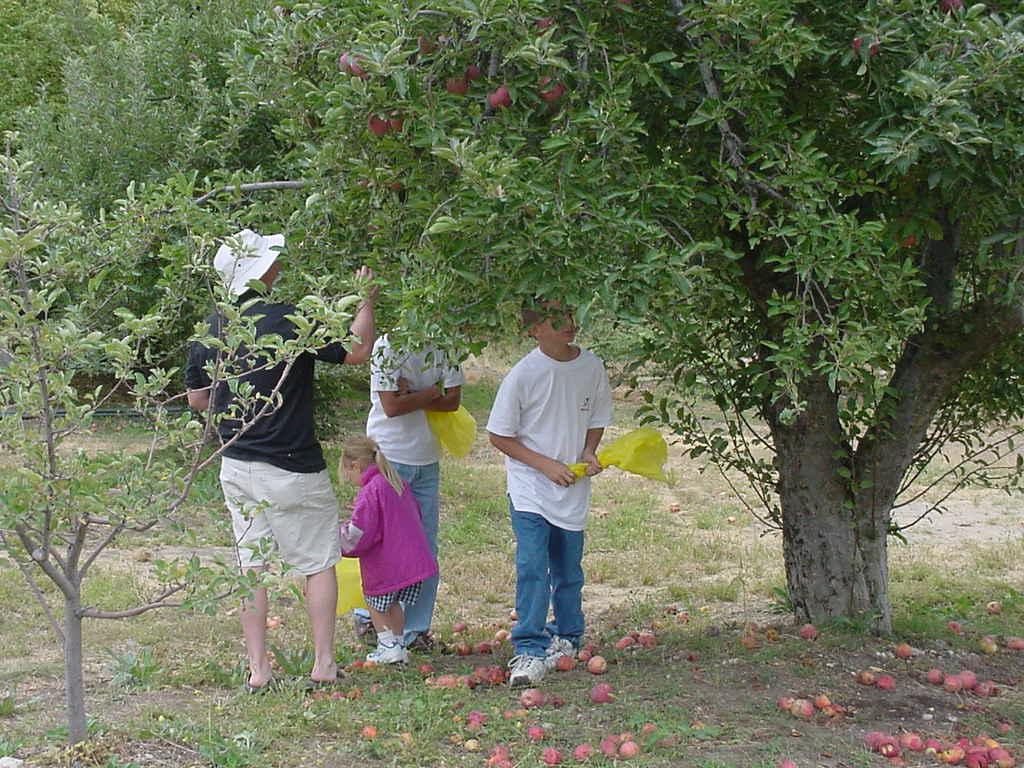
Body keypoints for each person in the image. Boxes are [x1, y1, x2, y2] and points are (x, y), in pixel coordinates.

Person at [184, 228, 376, 692]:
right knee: (316, 563)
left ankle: (258, 670)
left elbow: (197, 400)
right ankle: (324, 664)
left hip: (238, 465)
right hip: (293, 465)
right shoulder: (288, 319)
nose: (279, 265)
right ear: (261, 271)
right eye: (273, 260)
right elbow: (357, 351)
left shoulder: (211, 328)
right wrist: (366, 300)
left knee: (252, 565)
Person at [486, 300, 613, 687]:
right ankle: (528, 648)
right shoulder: (524, 374)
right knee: (532, 566)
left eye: (570, 317)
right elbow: (499, 434)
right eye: (556, 320)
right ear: (534, 330)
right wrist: (544, 465)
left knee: (568, 568)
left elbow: (596, 419)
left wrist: (589, 451)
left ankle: (568, 636)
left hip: (571, 485)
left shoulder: (591, 367)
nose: (569, 325)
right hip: (531, 488)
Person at [357, 334, 463, 650]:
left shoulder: (447, 344)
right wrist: (432, 393)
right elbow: (391, 406)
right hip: (390, 456)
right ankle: (372, 618)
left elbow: (453, 401)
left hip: (426, 457)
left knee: (424, 548)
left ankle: (414, 629)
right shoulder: (387, 346)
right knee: (385, 544)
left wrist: (413, 395)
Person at [338, 437, 439, 664]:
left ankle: (387, 644)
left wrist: (338, 538)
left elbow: (360, 534)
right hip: (410, 561)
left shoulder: (370, 491)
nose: (350, 480)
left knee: (375, 603)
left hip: (385, 564)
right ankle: (399, 643)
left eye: (348, 473)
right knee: (393, 604)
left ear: (355, 465)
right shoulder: (394, 482)